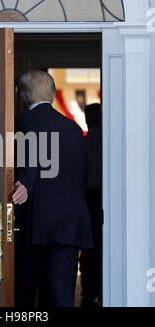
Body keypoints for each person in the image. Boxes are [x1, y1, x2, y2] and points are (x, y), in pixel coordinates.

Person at [13, 71, 93, 307]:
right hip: (69, 225)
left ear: (23, 96)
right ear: (51, 93)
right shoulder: (73, 129)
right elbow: (81, 178)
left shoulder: (22, 123)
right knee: (61, 298)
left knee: (23, 298)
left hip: (33, 225)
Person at [79, 103, 102, 307]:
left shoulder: (84, 143)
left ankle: (88, 294)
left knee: (88, 247)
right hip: (104, 198)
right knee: (104, 245)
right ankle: (103, 291)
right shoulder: (109, 142)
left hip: (87, 198)